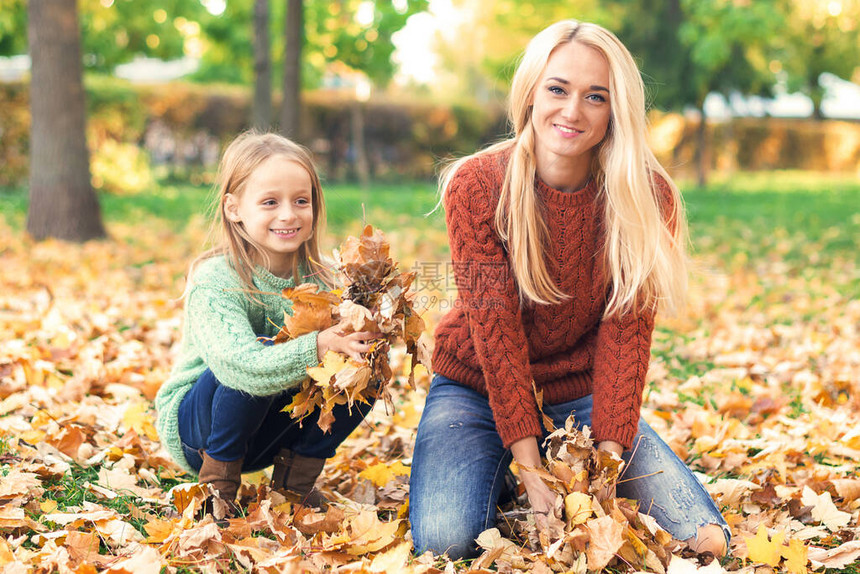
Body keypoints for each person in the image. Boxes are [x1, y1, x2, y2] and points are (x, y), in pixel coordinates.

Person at [410, 20, 730, 559]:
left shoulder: (646, 198)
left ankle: (530, 471)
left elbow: (626, 338)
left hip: (579, 394)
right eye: (557, 89)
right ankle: (505, 475)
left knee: (704, 542)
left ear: (615, 110)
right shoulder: (477, 185)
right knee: (447, 541)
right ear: (531, 92)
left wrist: (603, 473)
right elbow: (498, 336)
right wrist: (533, 471)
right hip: (475, 386)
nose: (572, 111)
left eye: (595, 97)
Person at [155, 131, 379, 515]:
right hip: (201, 433)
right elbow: (242, 367)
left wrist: (367, 327)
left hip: (270, 431)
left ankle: (293, 486)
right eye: (270, 202)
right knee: (260, 349)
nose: (289, 214)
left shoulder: (326, 278)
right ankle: (216, 492)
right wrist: (321, 344)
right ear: (234, 208)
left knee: (364, 360)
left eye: (301, 201)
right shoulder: (217, 280)